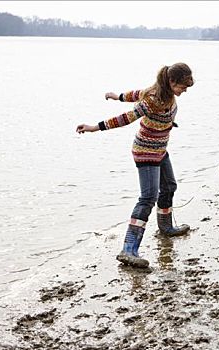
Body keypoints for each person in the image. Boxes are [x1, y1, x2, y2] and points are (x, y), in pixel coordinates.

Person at [76, 63, 194, 268]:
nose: (184, 91)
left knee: (169, 187)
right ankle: (128, 249)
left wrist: (117, 96)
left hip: (160, 149)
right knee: (148, 197)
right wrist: (94, 128)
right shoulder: (153, 99)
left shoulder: (161, 92)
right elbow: (126, 118)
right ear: (172, 81)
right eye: (182, 87)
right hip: (145, 151)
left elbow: (134, 94)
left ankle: (166, 228)